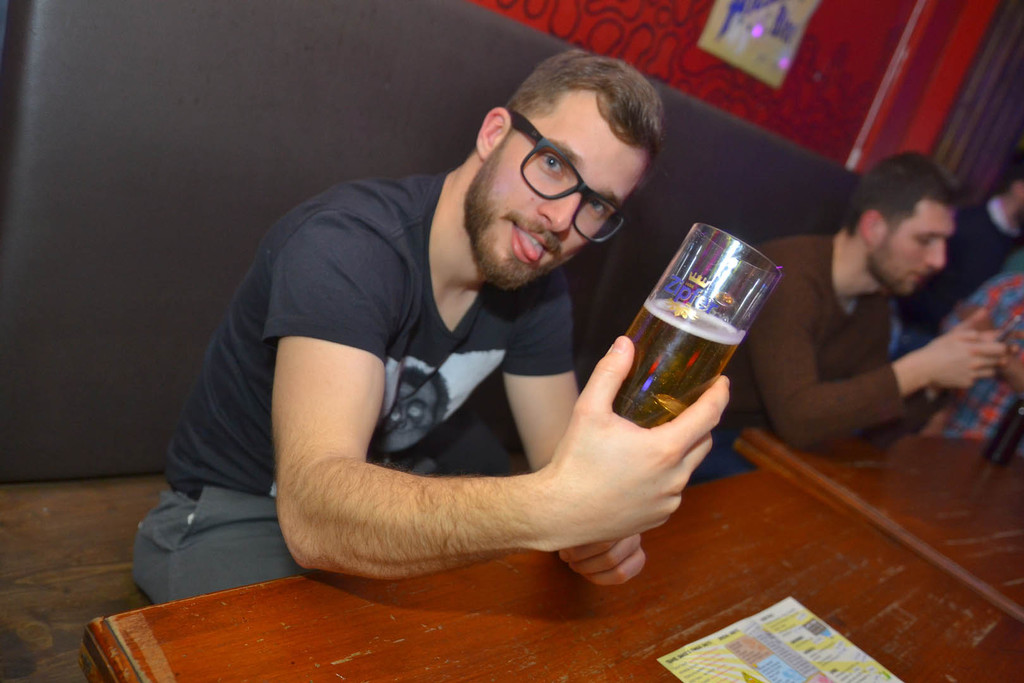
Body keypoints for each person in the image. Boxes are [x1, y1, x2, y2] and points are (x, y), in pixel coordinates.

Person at [132, 50, 731, 603]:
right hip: (228, 514)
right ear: (494, 134)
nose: (560, 219)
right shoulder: (349, 246)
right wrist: (555, 508)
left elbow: (563, 470)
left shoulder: (537, 286)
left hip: (375, 499)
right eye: (553, 164)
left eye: (596, 204)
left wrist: (601, 523)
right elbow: (315, 517)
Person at [723, 152, 1008, 450]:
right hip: (717, 435)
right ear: (873, 228)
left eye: (944, 242)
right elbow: (798, 419)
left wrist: (937, 380)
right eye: (925, 240)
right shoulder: (790, 276)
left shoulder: (874, 305)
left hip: (769, 446)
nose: (939, 260)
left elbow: (876, 431)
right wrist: (921, 369)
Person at [896, 154, 1024, 349]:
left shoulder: (1015, 244)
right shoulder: (962, 223)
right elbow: (909, 277)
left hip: (967, 347)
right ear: (1019, 188)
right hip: (919, 335)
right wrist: (946, 316)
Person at [921, 272, 1024, 457]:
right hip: (948, 434)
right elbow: (953, 331)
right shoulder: (1011, 287)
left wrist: (999, 354)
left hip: (1013, 461)